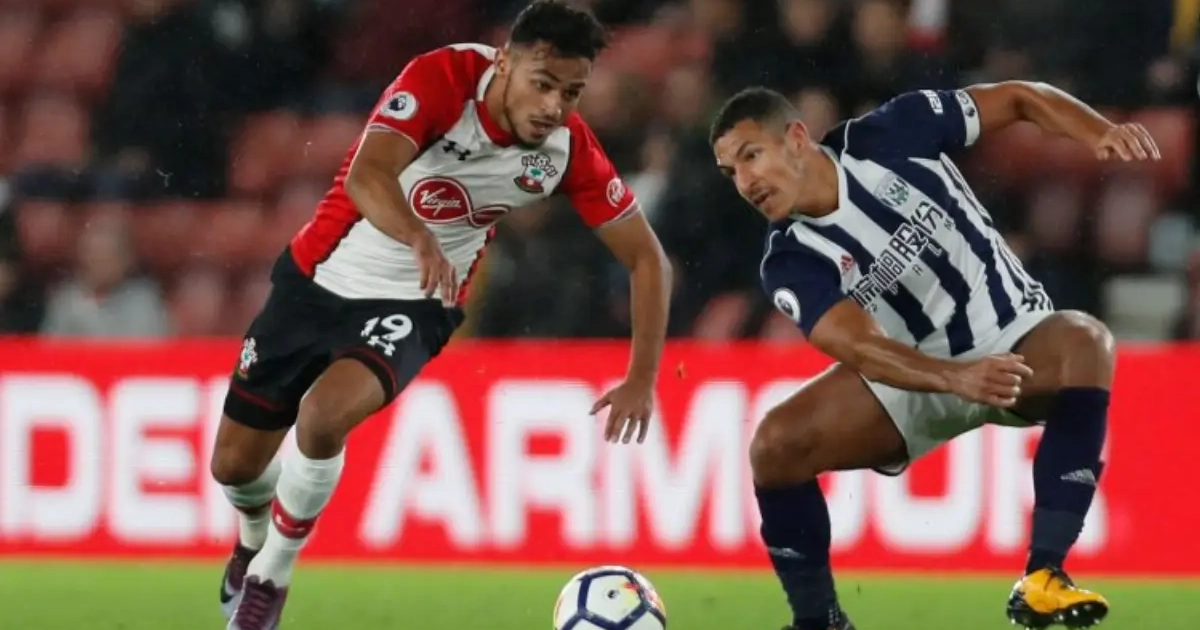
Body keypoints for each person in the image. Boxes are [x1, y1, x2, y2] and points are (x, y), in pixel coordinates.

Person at [212, 2, 672, 628]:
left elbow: (648, 259)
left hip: (417, 303)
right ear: (504, 63)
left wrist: (642, 377)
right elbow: (368, 176)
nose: (553, 107)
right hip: (317, 280)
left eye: (571, 93)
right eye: (542, 84)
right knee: (234, 467)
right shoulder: (442, 78)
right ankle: (250, 539)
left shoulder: (567, 152)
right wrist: (418, 236)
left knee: (322, 418)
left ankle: (271, 576)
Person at [710, 83, 1159, 630]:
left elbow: (1019, 98)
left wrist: (1098, 131)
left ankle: (1044, 576)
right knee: (775, 446)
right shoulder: (789, 259)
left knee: (1086, 341)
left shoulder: (893, 133)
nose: (745, 182)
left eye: (751, 156)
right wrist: (955, 378)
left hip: (1012, 335)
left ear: (797, 138)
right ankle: (819, 621)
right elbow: (859, 346)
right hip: (913, 372)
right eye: (730, 173)